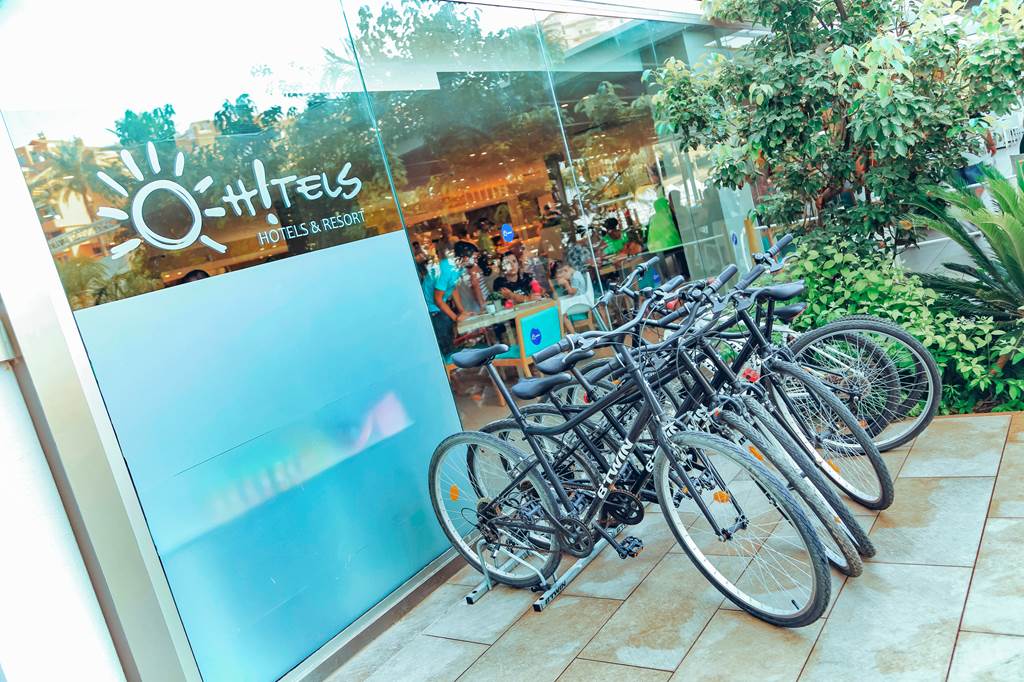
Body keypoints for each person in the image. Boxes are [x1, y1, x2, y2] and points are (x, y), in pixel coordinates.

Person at [421, 245, 468, 357]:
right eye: (473, 257)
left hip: (438, 306)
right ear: (464, 257)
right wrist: (455, 318)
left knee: (451, 337)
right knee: (446, 345)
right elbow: (438, 300)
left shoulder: (459, 267)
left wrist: (462, 311)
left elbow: (453, 288)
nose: (475, 260)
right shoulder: (447, 269)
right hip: (431, 309)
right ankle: (450, 362)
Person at [550, 260, 590, 332]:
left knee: (563, 314)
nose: (565, 279)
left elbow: (572, 292)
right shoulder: (576, 274)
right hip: (581, 300)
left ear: (565, 270)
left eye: (563, 277)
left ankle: (573, 334)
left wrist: (566, 283)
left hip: (581, 303)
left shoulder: (574, 277)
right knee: (560, 303)